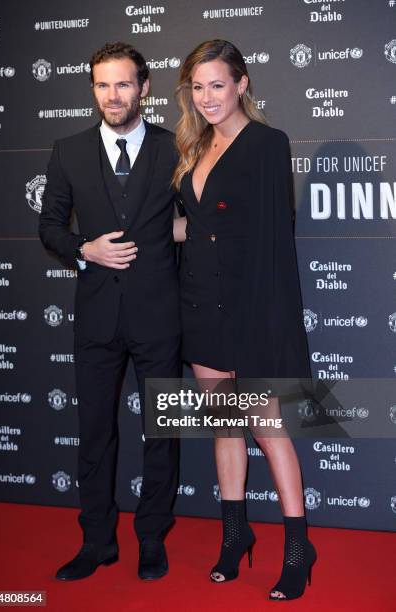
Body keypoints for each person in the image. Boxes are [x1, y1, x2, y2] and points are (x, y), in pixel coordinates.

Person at [172, 40, 316, 600]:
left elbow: (274, 238)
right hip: (200, 306)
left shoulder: (266, 144)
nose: (208, 98)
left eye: (218, 85)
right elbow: (195, 227)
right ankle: (235, 536)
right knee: (224, 427)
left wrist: (267, 322)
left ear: (242, 84)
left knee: (269, 429)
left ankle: (299, 550)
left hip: (251, 309)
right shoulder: (194, 147)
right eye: (198, 87)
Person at [39, 42, 181, 582]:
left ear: (144, 88)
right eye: (102, 84)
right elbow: (49, 225)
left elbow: (195, 222)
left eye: (123, 84)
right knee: (95, 432)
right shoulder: (68, 151)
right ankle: (97, 541)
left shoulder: (177, 148)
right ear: (93, 89)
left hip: (160, 315)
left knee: (162, 432)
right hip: (97, 315)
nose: (112, 95)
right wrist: (84, 249)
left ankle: (152, 539)